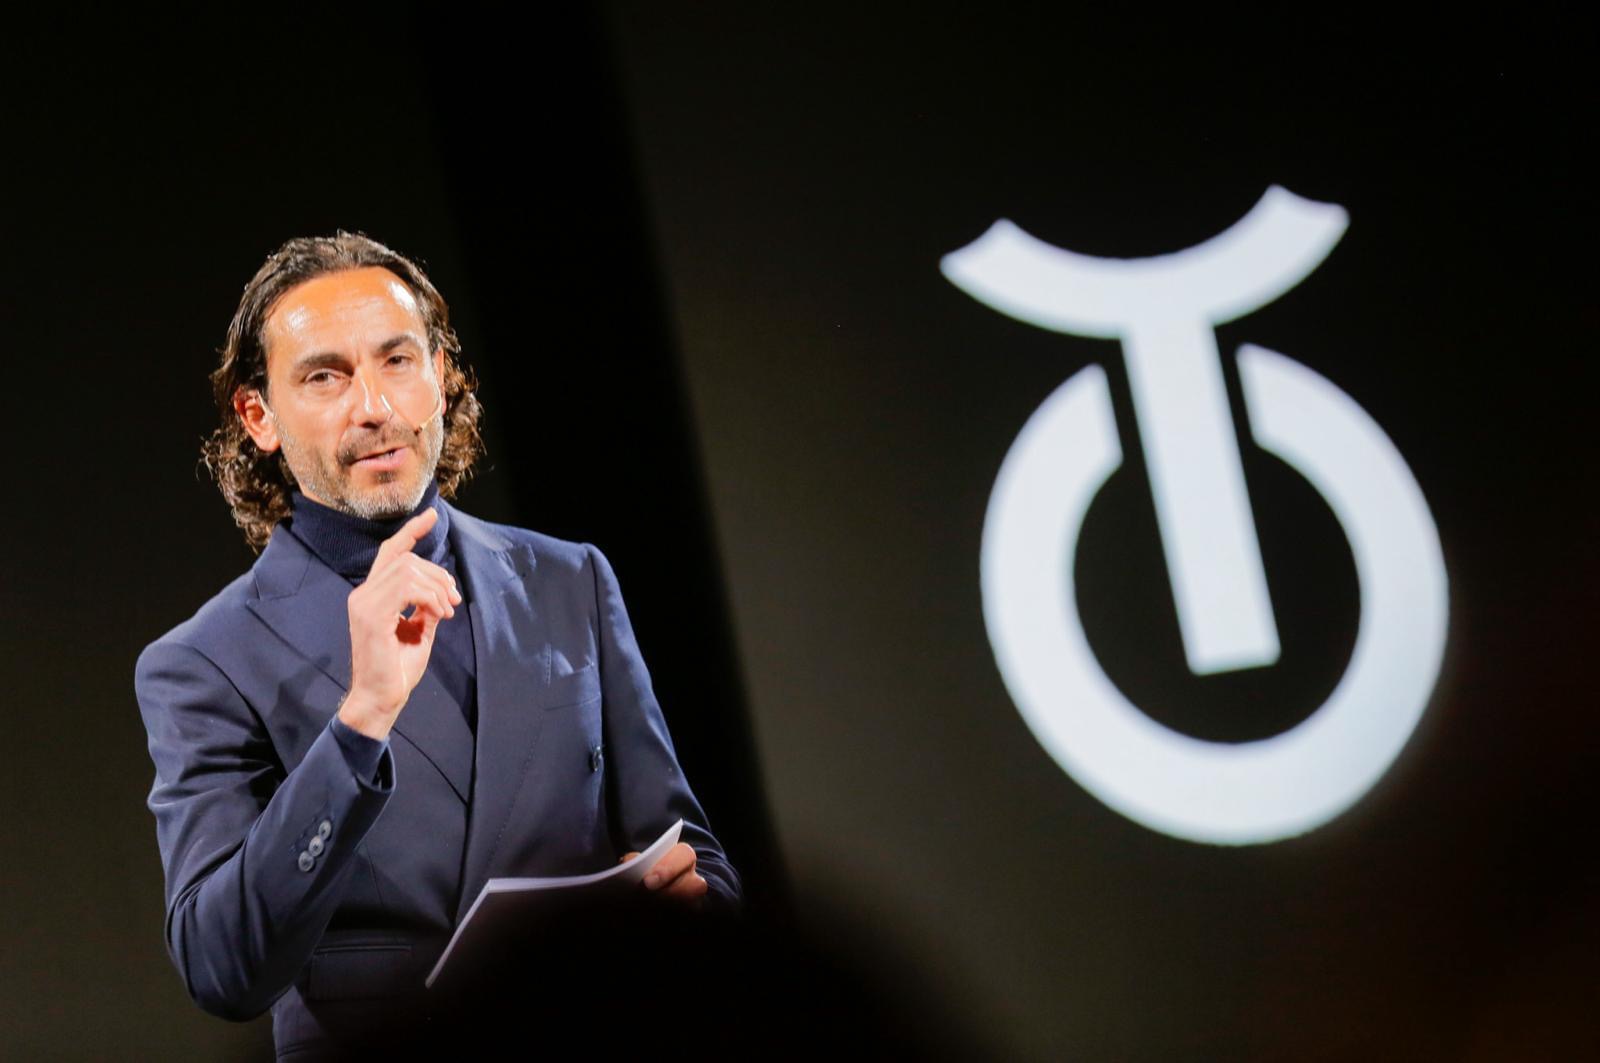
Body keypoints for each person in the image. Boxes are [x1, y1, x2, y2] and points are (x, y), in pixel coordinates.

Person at [134, 233, 739, 1059]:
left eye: (397, 360)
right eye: (324, 376)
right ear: (258, 416)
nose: (373, 405)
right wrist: (362, 719)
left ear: (442, 376)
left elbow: (696, 854)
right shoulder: (205, 662)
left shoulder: (569, 580)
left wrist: (687, 904)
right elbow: (222, 967)